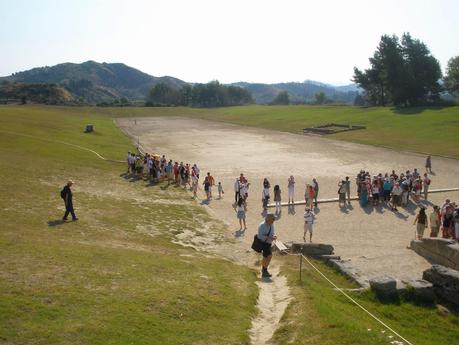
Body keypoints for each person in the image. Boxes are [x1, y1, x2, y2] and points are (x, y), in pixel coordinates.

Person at [257, 214, 277, 278]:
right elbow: (260, 236)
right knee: (269, 256)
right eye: (273, 219)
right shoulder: (262, 226)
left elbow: (272, 233)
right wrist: (270, 238)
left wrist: (274, 236)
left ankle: (264, 270)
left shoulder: (271, 224)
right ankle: (265, 271)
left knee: (265, 256)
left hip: (268, 243)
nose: (274, 221)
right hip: (264, 243)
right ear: (268, 219)